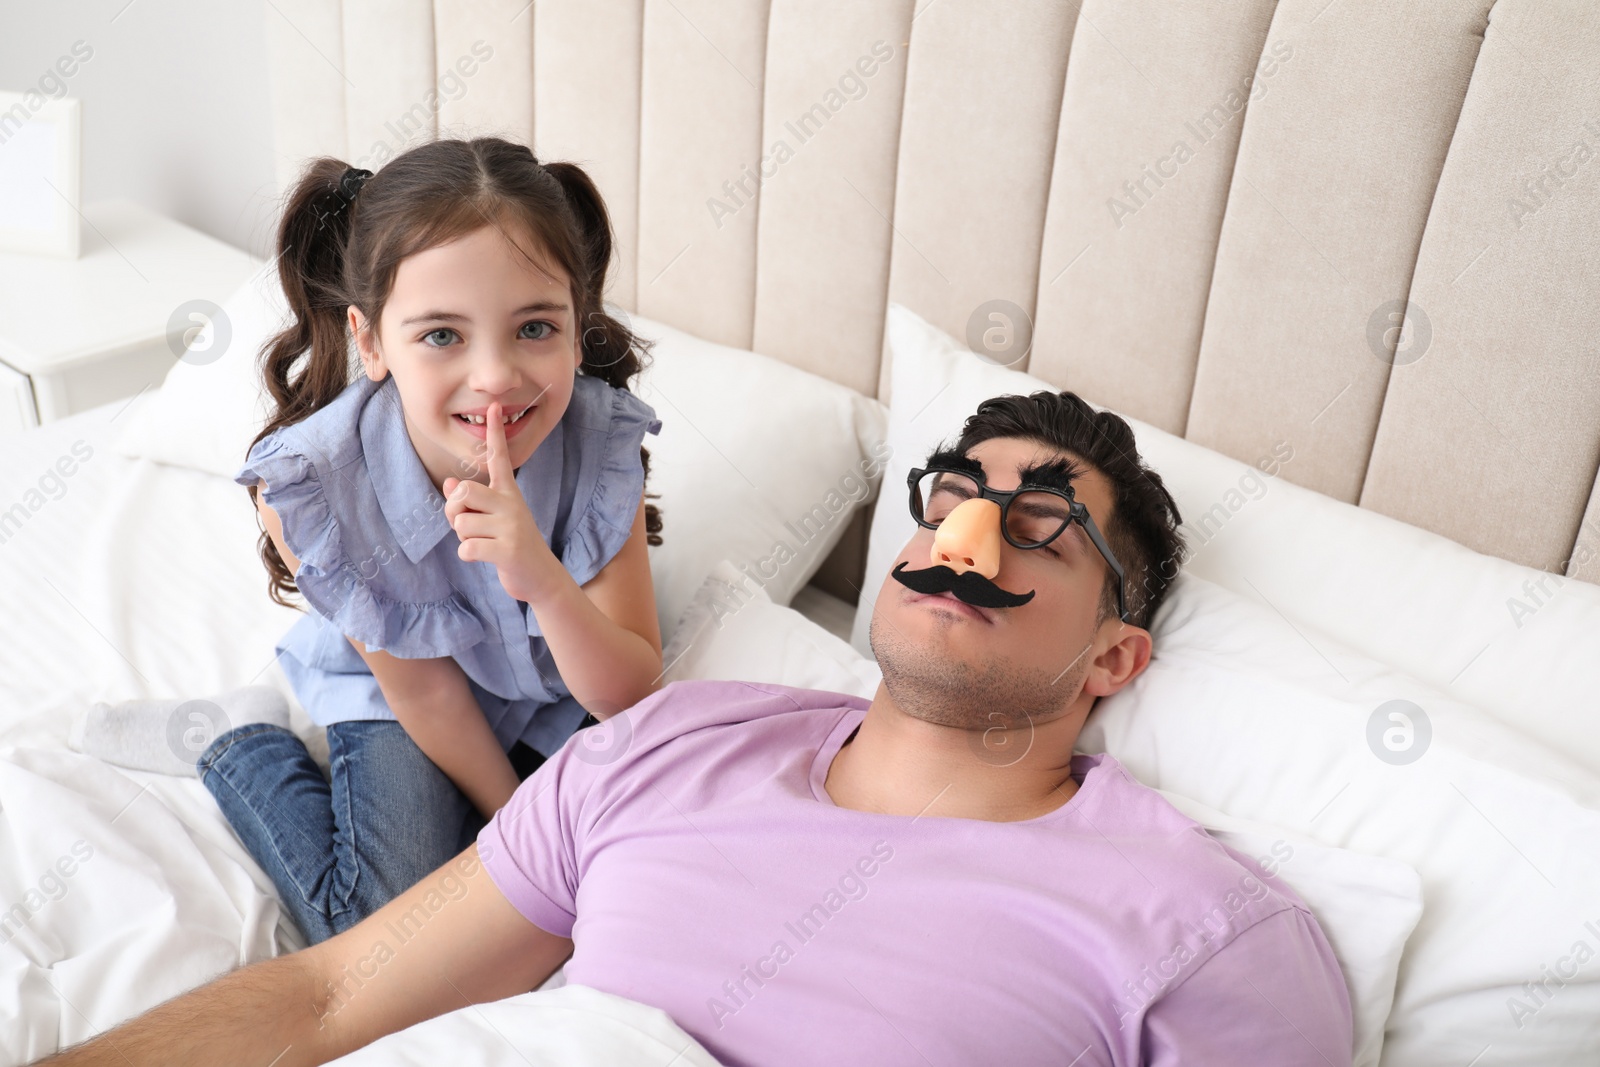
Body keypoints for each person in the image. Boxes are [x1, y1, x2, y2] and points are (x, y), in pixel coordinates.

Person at [43, 391, 1353, 1066]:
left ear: (1113, 654)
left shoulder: (1207, 931)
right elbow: (330, 991)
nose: (966, 536)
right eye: (951, 497)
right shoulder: (675, 743)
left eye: (1040, 524)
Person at [74, 137, 666, 944]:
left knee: (644, 866)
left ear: (577, 324)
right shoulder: (318, 489)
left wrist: (546, 581)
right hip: (404, 695)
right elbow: (425, 694)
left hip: (545, 688)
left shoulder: (600, 449)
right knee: (389, 919)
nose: (495, 376)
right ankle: (237, 741)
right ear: (372, 341)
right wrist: (510, 826)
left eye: (534, 327)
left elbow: (629, 691)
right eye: (442, 335)